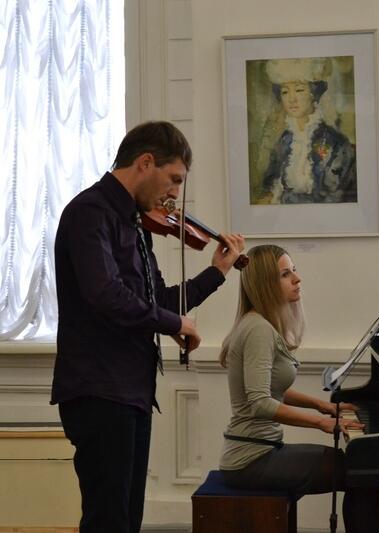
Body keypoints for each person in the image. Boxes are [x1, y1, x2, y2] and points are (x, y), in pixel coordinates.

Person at [51, 121, 245, 533]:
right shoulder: (90, 213)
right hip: (98, 387)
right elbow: (105, 294)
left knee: (127, 519)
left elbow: (157, 301)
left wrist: (217, 272)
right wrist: (174, 323)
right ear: (145, 162)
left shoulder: (136, 223)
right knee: (107, 520)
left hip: (132, 389)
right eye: (174, 178)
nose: (174, 193)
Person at [218, 244, 379, 533]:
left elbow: (271, 389)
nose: (297, 279)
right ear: (265, 284)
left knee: (359, 469)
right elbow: (260, 403)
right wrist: (322, 423)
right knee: (361, 472)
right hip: (251, 459)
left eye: (294, 270)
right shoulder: (259, 330)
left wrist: (324, 406)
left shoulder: (259, 324)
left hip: (260, 451)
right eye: (285, 274)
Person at [260, 58, 357, 204]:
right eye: (285, 92)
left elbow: (334, 197)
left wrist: (283, 200)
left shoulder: (336, 142)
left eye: (299, 90)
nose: (291, 99)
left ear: (314, 93)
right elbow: (270, 182)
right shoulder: (284, 140)